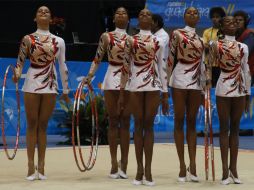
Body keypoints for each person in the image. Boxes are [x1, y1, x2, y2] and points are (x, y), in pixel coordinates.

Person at [13, 6, 70, 180]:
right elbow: (20, 63)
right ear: (35, 18)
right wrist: (16, 74)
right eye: (40, 11)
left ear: (51, 19)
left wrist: (66, 90)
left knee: (43, 126)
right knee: (32, 124)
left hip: (50, 85)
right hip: (31, 83)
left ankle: (42, 165)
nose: (44, 13)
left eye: (47, 12)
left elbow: (63, 66)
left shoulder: (59, 42)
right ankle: (31, 165)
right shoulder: (28, 39)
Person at [120, 8, 168, 186]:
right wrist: (122, 91)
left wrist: (165, 93)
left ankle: (148, 169)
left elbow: (162, 67)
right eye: (141, 15)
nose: (145, 16)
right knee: (138, 124)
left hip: (154, 85)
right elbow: (125, 67)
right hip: (135, 85)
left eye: (148, 15)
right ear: (137, 21)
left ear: (153, 21)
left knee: (149, 126)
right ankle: (139, 169)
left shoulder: (159, 41)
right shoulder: (130, 41)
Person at [85, 7, 131, 179]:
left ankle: (124, 162)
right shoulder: (106, 37)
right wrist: (90, 75)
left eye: (124, 13)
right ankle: (113, 162)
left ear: (128, 19)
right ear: (113, 19)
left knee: (125, 121)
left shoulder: (133, 39)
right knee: (113, 120)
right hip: (112, 76)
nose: (120, 15)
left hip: (129, 79)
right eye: (117, 13)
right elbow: (98, 58)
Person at [208, 15, 251, 185]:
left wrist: (247, 93)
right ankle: (224, 170)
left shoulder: (243, 47)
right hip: (223, 87)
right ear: (221, 26)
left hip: (240, 88)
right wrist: (207, 83)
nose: (232, 24)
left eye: (235, 22)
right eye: (228, 22)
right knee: (224, 128)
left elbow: (246, 69)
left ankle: (234, 169)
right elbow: (209, 66)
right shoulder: (215, 45)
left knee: (235, 128)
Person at [167, 7, 205, 182]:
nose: (192, 15)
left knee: (191, 122)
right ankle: (182, 165)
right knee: (179, 120)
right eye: (189, 13)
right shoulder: (177, 34)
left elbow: (203, 65)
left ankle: (193, 164)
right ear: (184, 16)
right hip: (180, 78)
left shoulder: (201, 39)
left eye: (195, 13)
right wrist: (166, 85)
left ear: (199, 18)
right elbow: (170, 58)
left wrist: (204, 88)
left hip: (196, 80)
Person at [203, 7, 226, 87]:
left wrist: (211, 44)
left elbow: (223, 46)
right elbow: (205, 46)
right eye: (213, 17)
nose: (215, 19)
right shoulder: (207, 31)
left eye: (217, 17)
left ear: (222, 18)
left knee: (220, 88)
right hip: (208, 64)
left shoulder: (225, 31)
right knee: (208, 87)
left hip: (221, 64)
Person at [234, 10, 254, 86]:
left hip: (248, 71)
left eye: (240, 20)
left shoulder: (249, 34)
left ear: (245, 22)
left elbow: (244, 52)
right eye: (236, 20)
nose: (238, 22)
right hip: (236, 71)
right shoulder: (233, 34)